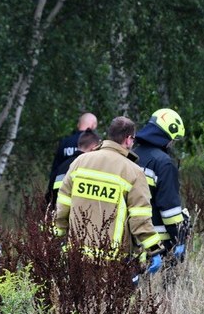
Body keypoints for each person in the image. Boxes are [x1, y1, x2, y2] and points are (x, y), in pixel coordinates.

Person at [53, 116, 164, 272]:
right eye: (133, 140)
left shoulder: (80, 162)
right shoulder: (134, 172)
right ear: (128, 139)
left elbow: (63, 204)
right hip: (113, 261)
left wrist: (57, 237)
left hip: (77, 255)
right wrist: (155, 249)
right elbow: (140, 218)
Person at [133, 108, 188, 259]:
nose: (172, 144)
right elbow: (169, 208)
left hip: (133, 239)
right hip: (160, 243)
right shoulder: (164, 163)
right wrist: (178, 239)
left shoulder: (132, 156)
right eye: (173, 139)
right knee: (165, 282)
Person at [48, 112, 98, 199]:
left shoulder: (65, 142)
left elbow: (55, 170)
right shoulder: (94, 143)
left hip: (60, 191)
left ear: (79, 124)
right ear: (93, 125)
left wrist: (50, 195)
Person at [50, 129, 100, 207]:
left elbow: (51, 191)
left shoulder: (63, 165)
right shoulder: (88, 167)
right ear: (93, 147)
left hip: (58, 211)